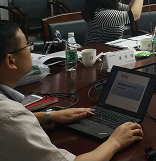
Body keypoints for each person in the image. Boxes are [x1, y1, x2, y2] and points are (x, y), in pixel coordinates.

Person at [0, 21, 143, 161]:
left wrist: (50, 116)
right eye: (27, 45)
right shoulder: (11, 116)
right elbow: (12, 121)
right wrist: (115, 141)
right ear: (11, 61)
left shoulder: (10, 116)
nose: (31, 50)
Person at [83, 0, 147, 46]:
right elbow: (134, 15)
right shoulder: (102, 14)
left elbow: (131, 9)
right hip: (97, 50)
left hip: (113, 47)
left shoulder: (114, 6)